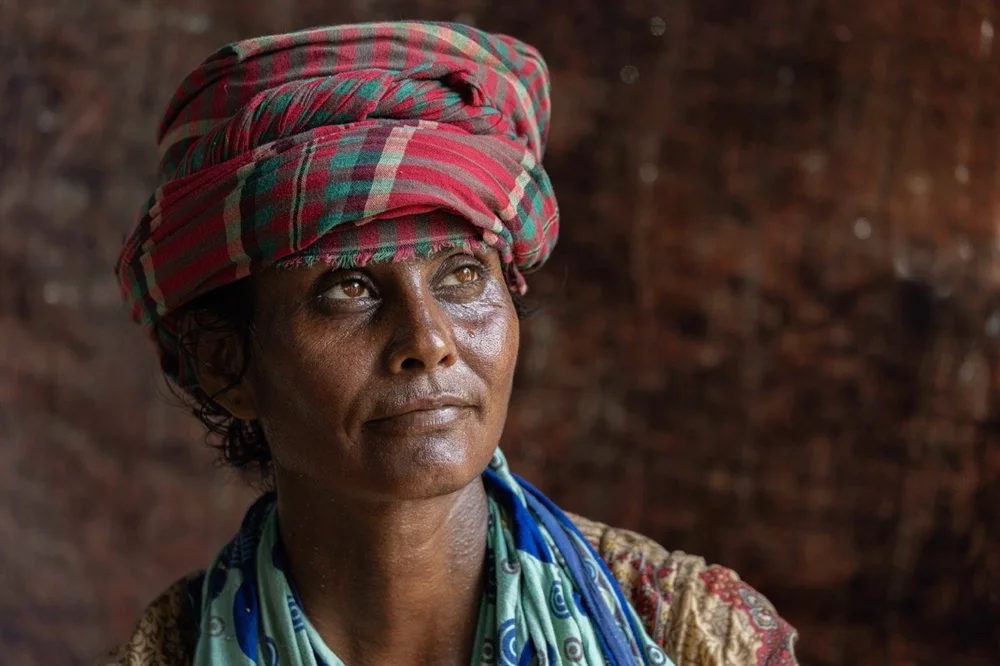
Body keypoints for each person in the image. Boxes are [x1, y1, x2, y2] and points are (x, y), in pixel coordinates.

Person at [103, 21, 798, 666]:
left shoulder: (692, 633)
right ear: (226, 364)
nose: (428, 341)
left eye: (463, 275)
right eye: (348, 288)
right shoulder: (167, 652)